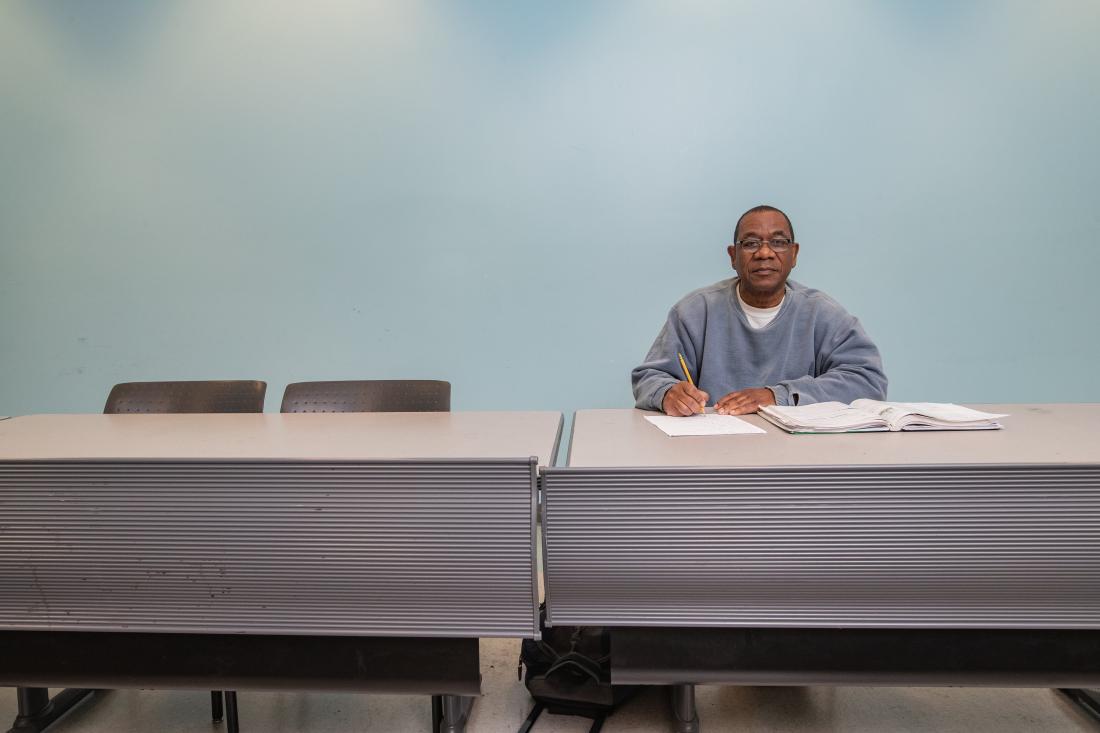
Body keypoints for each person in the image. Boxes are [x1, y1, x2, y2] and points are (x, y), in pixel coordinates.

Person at [632, 205, 887, 416]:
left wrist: (775, 396)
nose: (764, 253)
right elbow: (649, 377)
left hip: (799, 457)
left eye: (778, 242)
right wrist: (668, 393)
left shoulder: (823, 314)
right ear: (733, 256)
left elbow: (868, 382)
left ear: (794, 254)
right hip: (711, 452)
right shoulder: (696, 312)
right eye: (751, 243)